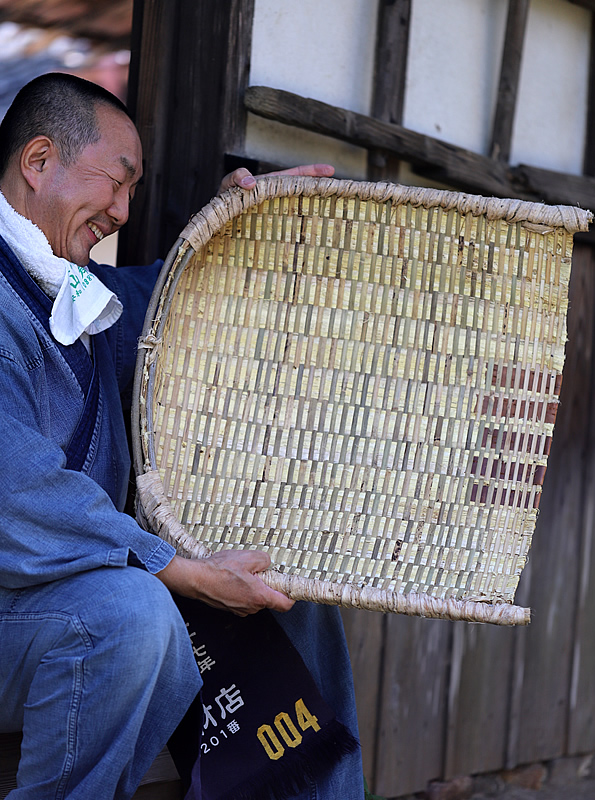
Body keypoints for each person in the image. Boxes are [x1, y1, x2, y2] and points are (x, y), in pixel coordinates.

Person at [0, 72, 364, 799]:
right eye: (117, 183)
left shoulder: (71, 290)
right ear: (39, 161)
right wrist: (174, 568)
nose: (123, 211)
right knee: (132, 616)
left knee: (276, 575)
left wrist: (234, 228)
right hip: (20, 600)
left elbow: (167, 299)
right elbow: (19, 494)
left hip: (74, 585)